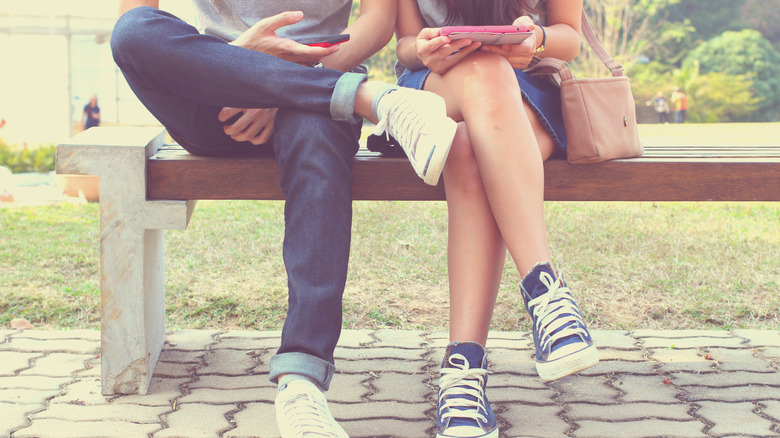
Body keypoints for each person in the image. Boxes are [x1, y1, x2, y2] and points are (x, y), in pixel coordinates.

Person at [111, 1, 457, 436]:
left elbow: (380, 18)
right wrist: (240, 67)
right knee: (133, 30)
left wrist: (287, 82)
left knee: (316, 139)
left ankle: (302, 385)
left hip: (318, 83)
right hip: (214, 93)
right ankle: (374, 100)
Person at [394, 1, 599, 436]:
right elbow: (405, 45)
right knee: (484, 71)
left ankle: (462, 374)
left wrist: (536, 38)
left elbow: (570, 35)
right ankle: (548, 296)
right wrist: (425, 48)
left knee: (468, 147)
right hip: (436, 86)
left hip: (527, 90)